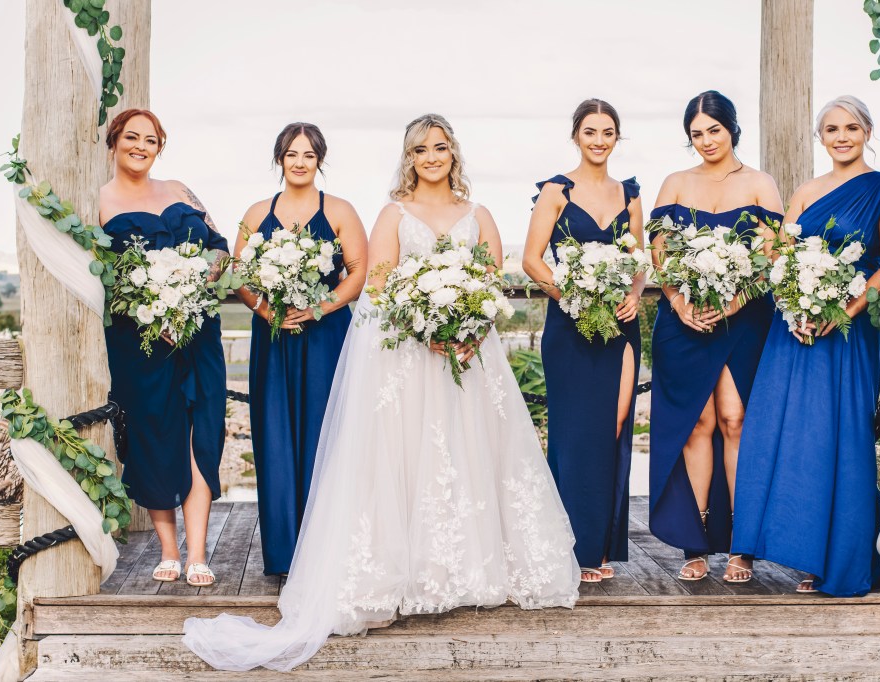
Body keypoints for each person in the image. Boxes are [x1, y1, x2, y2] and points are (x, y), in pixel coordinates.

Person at [182, 113, 579, 672]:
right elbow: (380, 284)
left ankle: (469, 567)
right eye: (421, 150)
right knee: (409, 456)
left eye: (440, 147)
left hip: (470, 354)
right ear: (409, 158)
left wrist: (469, 328)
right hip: (413, 355)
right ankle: (406, 571)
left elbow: (490, 280)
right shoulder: (393, 213)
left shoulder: (480, 214)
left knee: (473, 452)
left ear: (453, 153)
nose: (431, 157)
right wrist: (426, 325)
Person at [731, 95, 880, 596]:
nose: (841, 137)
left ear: (867, 132)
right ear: (820, 137)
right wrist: (795, 306)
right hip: (794, 328)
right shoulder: (805, 191)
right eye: (831, 129)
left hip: (847, 332)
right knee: (781, 432)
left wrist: (842, 311)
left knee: (838, 435)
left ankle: (834, 558)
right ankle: (777, 547)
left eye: (851, 128)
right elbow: (779, 259)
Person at [647, 90, 783, 583]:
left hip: (744, 319)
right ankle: (696, 541)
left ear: (732, 129)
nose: (706, 141)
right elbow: (659, 254)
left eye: (714, 130)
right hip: (683, 321)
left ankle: (742, 545)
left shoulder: (760, 184)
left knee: (735, 419)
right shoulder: (676, 183)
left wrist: (733, 303)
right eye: (696, 134)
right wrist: (679, 304)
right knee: (697, 423)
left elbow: (771, 257)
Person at [100, 108, 227, 588]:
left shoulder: (180, 191)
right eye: (131, 137)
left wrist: (198, 282)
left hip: (198, 334)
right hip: (141, 344)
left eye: (150, 140)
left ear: (159, 147)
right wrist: (152, 310)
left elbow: (219, 246)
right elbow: (102, 275)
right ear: (114, 141)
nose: (141, 146)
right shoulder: (98, 201)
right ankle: (168, 549)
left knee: (202, 437)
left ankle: (198, 553)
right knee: (154, 437)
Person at [235, 122, 367, 575]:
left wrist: (318, 309)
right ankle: (285, 554)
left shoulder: (340, 211)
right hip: (273, 338)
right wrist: (264, 310)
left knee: (325, 434)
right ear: (279, 159)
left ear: (319, 161)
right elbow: (240, 274)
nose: (299, 162)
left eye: (309, 155)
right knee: (274, 436)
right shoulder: (257, 213)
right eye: (292, 153)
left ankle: (327, 551)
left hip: (326, 337)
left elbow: (358, 272)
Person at [523, 98, 646, 583]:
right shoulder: (556, 191)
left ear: (617, 137)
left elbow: (637, 262)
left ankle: (601, 541)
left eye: (607, 132)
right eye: (590, 132)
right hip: (569, 327)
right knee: (575, 434)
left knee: (613, 426)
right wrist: (571, 296)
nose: (599, 141)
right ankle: (573, 548)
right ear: (576, 135)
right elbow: (532, 260)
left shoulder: (630, 194)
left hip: (620, 326)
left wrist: (634, 295)